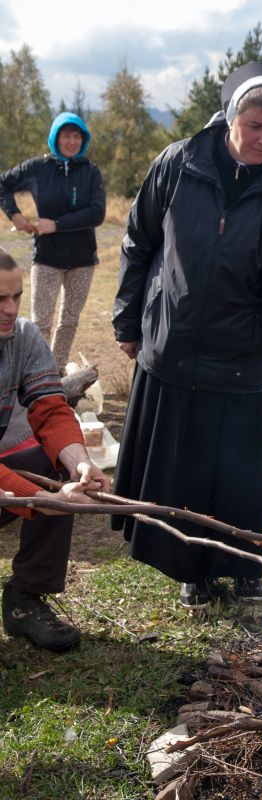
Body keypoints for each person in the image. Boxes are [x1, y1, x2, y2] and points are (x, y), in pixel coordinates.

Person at [111, 62, 262, 609]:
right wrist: (129, 321)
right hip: (173, 344)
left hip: (241, 358)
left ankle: (244, 562)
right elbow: (139, 242)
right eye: (256, 126)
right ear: (231, 118)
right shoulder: (179, 164)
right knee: (185, 466)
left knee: (239, 476)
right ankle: (191, 567)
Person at [0, 248, 111, 651]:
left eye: (16, 296)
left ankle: (25, 599)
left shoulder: (25, 337)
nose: (11, 309)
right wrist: (37, 499)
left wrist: (80, 462)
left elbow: (50, 409)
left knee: (57, 467)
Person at [0, 111, 106, 371]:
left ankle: (55, 372)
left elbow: (97, 213)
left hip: (82, 259)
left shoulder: (90, 171)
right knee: (40, 323)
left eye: (77, 136)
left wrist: (56, 225)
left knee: (69, 322)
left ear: (84, 139)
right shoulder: (38, 168)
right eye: (66, 135)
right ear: (55, 138)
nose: (71, 141)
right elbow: (2, 184)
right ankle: (34, 372)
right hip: (47, 257)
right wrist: (15, 215)